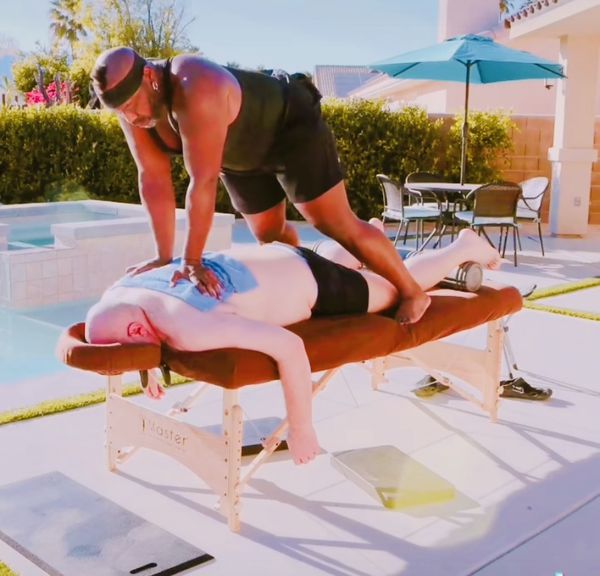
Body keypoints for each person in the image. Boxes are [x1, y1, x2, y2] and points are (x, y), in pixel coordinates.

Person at [86, 226, 502, 465]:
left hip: (318, 285)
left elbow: (288, 347)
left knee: (396, 290)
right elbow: (137, 325)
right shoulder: (123, 287)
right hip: (278, 256)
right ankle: (352, 250)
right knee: (346, 270)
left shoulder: (190, 327)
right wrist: (146, 367)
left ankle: (464, 246)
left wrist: (301, 429)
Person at [90, 47, 430, 324]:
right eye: (120, 112)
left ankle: (412, 291)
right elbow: (153, 180)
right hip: (239, 157)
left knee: (333, 222)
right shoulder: (132, 110)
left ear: (149, 77)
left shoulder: (196, 82)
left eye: (131, 106)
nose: (130, 118)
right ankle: (307, 292)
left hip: (289, 128)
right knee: (270, 237)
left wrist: (192, 261)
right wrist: (164, 257)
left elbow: (202, 181)